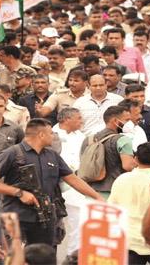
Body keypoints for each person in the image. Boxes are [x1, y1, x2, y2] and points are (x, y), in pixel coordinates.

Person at [0, 119, 103, 247]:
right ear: (41, 135)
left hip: (45, 217)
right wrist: (19, 193)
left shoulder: (52, 155)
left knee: (45, 256)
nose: (54, 136)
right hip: (17, 217)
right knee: (14, 258)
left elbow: (73, 179)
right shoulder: (12, 153)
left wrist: (96, 197)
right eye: (51, 133)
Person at [51, 107, 86, 262]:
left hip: (75, 185)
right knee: (53, 228)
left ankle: (72, 258)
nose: (81, 121)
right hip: (53, 186)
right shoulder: (51, 135)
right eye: (78, 118)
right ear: (66, 120)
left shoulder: (82, 136)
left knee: (77, 224)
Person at [80, 105, 136, 198]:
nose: (129, 123)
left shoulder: (89, 139)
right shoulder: (123, 140)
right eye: (126, 120)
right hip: (115, 192)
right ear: (115, 121)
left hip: (91, 192)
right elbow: (128, 166)